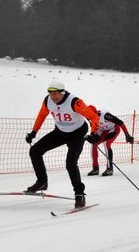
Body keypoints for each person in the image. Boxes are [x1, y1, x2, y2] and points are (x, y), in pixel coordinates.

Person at [24, 80, 100, 208]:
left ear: (62, 92)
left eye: (56, 94)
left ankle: (79, 193)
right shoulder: (48, 101)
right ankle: (42, 182)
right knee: (35, 151)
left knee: (70, 163)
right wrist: (33, 132)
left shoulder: (74, 101)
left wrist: (94, 133)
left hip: (77, 134)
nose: (53, 97)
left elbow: (93, 117)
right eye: (51, 93)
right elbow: (41, 115)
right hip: (60, 132)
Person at [86, 106, 135, 176]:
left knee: (106, 144)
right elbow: (93, 126)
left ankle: (109, 168)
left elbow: (120, 123)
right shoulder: (88, 117)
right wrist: (93, 136)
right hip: (102, 130)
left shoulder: (105, 115)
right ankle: (95, 168)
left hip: (113, 129)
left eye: (91, 114)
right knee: (94, 144)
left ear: (95, 112)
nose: (90, 116)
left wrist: (127, 135)